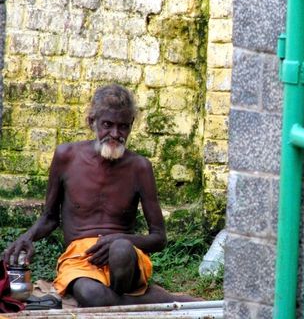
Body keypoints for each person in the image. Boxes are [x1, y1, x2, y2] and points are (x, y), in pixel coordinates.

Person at [2, 84, 198, 307]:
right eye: (108, 125)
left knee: (121, 249)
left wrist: (121, 239)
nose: (115, 134)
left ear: (131, 125)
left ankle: (114, 298)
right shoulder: (66, 156)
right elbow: (50, 218)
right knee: (91, 293)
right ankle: (156, 300)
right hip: (81, 260)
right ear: (91, 122)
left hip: (124, 262)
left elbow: (159, 238)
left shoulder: (140, 167)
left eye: (123, 127)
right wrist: (27, 237)